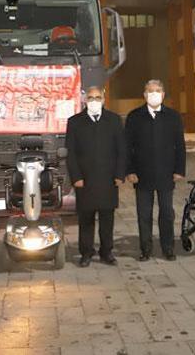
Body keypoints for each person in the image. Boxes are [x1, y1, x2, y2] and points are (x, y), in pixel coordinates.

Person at [125, 79, 186, 261]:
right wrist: (130, 171)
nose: (154, 94)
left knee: (166, 213)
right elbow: (127, 146)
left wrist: (179, 170)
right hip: (142, 175)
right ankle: (146, 249)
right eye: (150, 91)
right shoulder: (135, 117)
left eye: (157, 90)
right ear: (144, 95)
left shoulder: (173, 117)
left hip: (166, 174)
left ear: (163, 94)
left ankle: (168, 248)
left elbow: (180, 146)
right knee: (144, 214)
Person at [66, 86, 126, 267]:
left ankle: (106, 251)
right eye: (90, 97)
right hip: (85, 179)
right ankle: (86, 252)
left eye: (97, 97)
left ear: (104, 99)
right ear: (84, 100)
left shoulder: (114, 120)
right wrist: (76, 177)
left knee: (107, 217)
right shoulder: (75, 122)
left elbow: (121, 150)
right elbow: (71, 153)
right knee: (86, 218)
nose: (94, 100)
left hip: (108, 178)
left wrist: (119, 174)